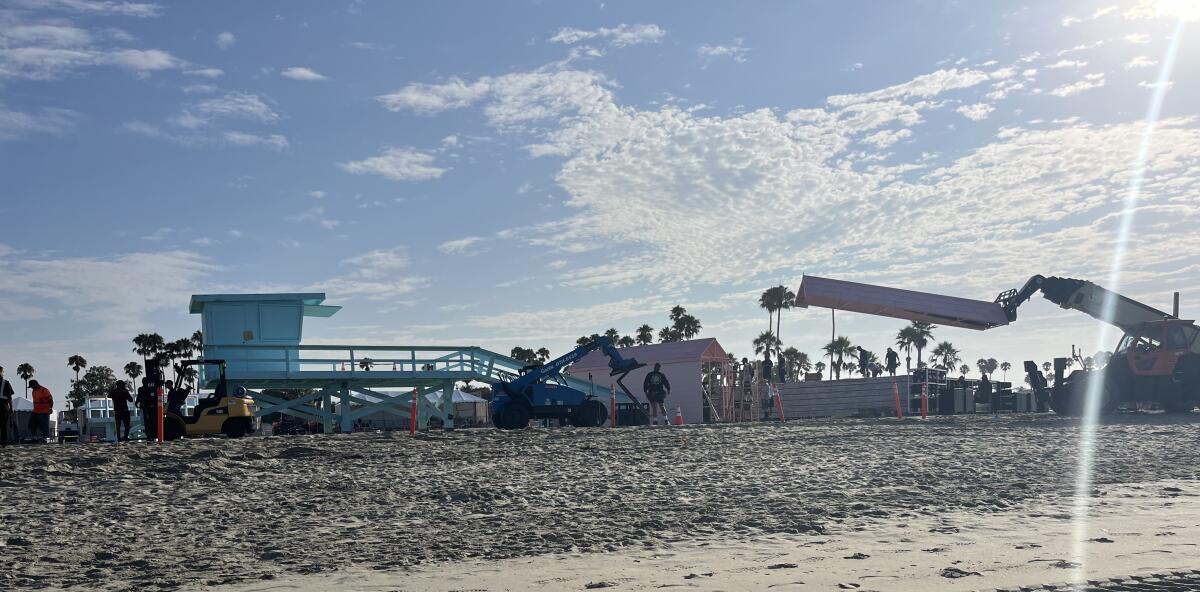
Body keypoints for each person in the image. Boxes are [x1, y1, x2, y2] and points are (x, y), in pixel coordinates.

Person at [0, 366, 14, 447]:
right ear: (1, 372)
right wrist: (11, 407)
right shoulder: (5, 382)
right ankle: (3, 443)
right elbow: (9, 396)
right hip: (3, 405)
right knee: (4, 426)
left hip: (3, 405)